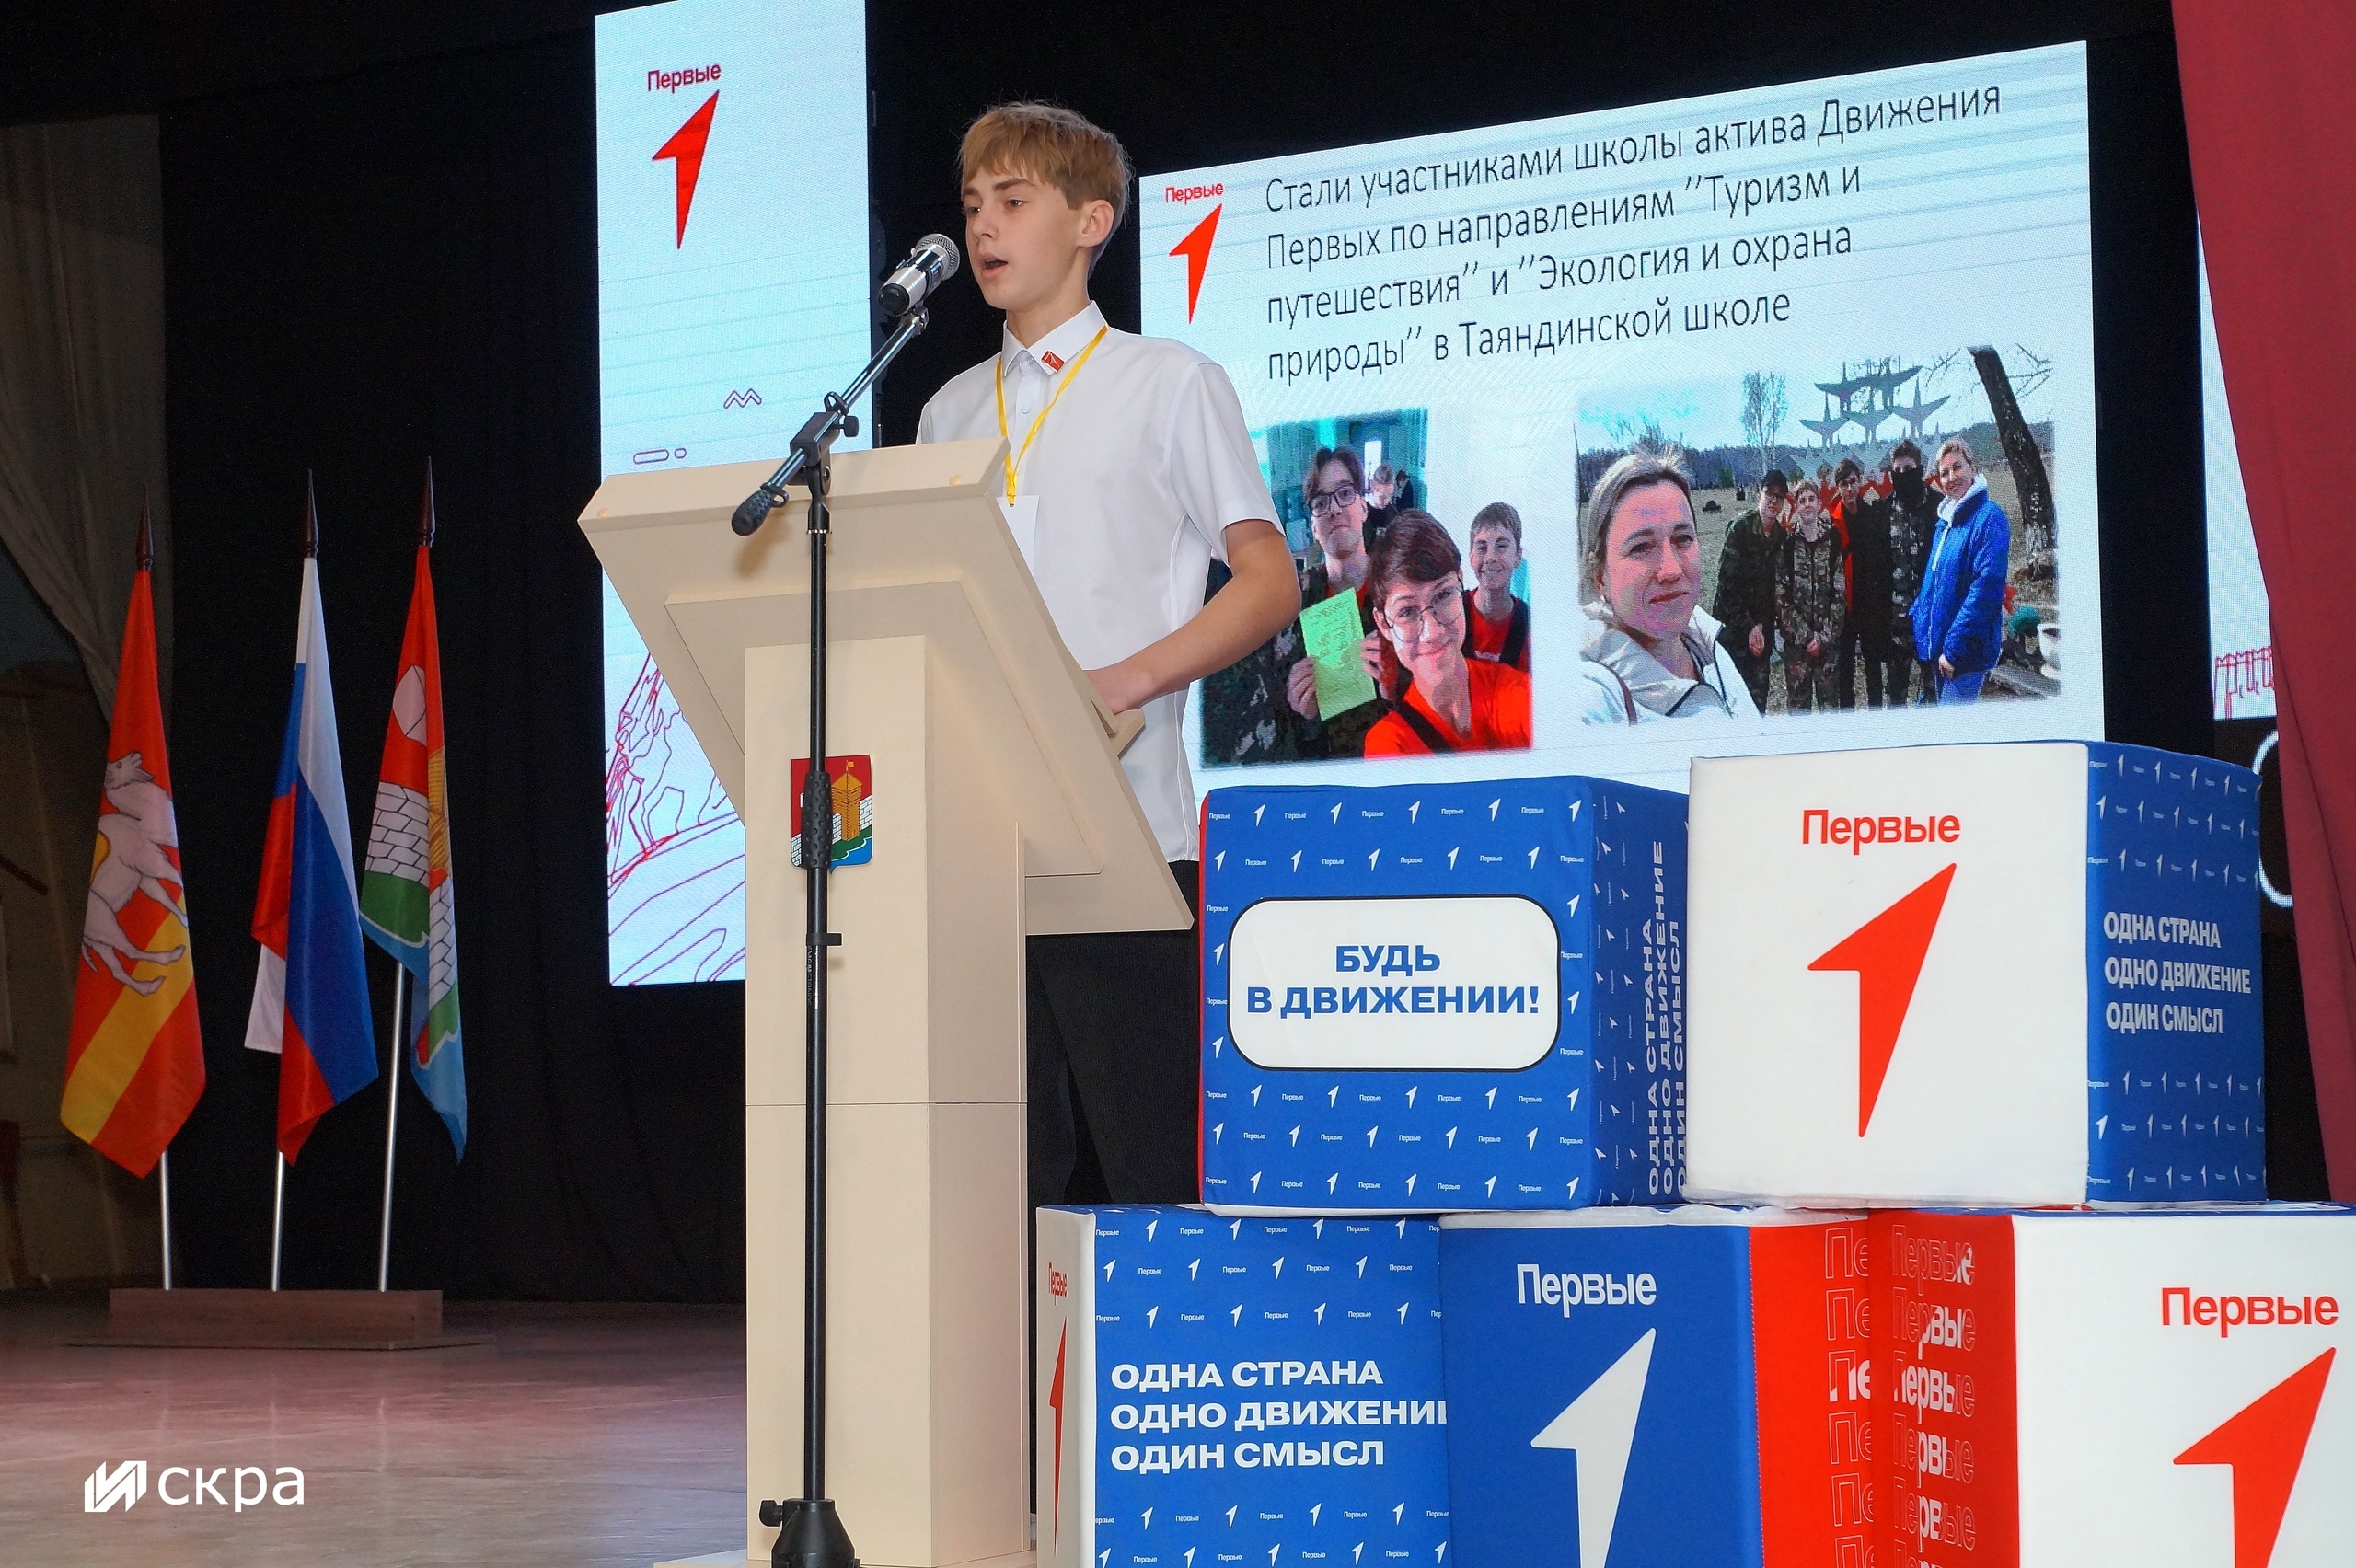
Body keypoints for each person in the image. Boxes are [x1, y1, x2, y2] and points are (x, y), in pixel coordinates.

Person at [916, 103, 1299, 1209]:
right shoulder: (945, 412)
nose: (984, 228)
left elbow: (1268, 580)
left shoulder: (1168, 381)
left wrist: (1117, 683)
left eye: (1014, 200)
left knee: (1150, 1168)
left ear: (1092, 222)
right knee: (997, 1188)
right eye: (973, 205)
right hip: (977, 848)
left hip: (1127, 834)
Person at [1570, 451, 1759, 722]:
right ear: (1601, 577)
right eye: (1641, 547)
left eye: (1683, 539)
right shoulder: (1592, 696)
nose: (1671, 570)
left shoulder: (1707, 647)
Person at [1361, 511, 1533, 755]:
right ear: (1383, 624)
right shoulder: (1389, 743)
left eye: (1443, 595)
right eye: (1407, 612)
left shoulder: (1515, 692)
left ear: (1460, 582)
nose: (1432, 632)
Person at [1279, 446, 1386, 757]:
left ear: (1363, 507)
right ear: (1314, 527)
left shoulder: (1396, 591)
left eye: (1345, 494)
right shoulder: (1295, 603)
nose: (1334, 509)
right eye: (1320, 502)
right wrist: (1302, 708)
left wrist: (1399, 677)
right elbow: (1285, 729)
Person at [1911, 435, 2012, 705]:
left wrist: (1954, 650)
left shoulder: (1989, 518)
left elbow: (1985, 592)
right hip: (1940, 650)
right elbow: (1933, 585)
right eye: (1944, 473)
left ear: (1972, 468)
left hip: (1964, 656)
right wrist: (1921, 627)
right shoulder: (1945, 522)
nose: (1951, 477)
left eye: (1957, 467)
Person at [1709, 467, 1785, 711]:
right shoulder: (1740, 528)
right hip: (1733, 630)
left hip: (1762, 632)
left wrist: (1762, 628)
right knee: (1731, 701)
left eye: (1779, 496)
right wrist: (1749, 627)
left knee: (1758, 700)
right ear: (1759, 495)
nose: (1773, 501)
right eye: (1769, 494)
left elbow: (1776, 588)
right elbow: (1726, 586)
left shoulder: (1780, 536)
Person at [1831, 455, 1898, 708]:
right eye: (1844, 484)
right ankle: (1848, 719)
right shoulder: (1833, 523)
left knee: (1873, 666)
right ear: (1838, 487)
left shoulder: (1872, 515)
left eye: (1853, 482)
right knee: (1845, 668)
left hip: (1870, 604)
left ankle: (1876, 714)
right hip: (1845, 606)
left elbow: (1882, 560)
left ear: (1859, 482)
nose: (1849, 489)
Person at [1777, 478, 1844, 712]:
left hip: (1827, 646)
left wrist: (1824, 638)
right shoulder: (1788, 544)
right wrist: (1806, 638)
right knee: (1799, 712)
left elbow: (1839, 593)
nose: (1807, 505)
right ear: (1796, 507)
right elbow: (1782, 598)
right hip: (1797, 647)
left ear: (1819, 504)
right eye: (1802, 500)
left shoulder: (1832, 539)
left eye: (1811, 499)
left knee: (1830, 710)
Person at [1885, 438, 1938, 706]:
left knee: (1933, 690)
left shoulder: (1938, 506)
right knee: (1896, 694)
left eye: (1908, 468)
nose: (1903, 475)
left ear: (1919, 468)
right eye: (1898, 470)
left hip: (1930, 616)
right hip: (1897, 621)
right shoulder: (1884, 510)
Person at [1462, 502, 1531, 673]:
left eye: (1501, 546)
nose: (1490, 557)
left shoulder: (1531, 625)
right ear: (1471, 557)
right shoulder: (1452, 613)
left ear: (1518, 556)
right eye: (1482, 547)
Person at [1362, 461, 1402, 545]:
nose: (1386, 501)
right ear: (1373, 488)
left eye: (1390, 496)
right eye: (1382, 497)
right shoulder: (1362, 513)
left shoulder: (1394, 514)